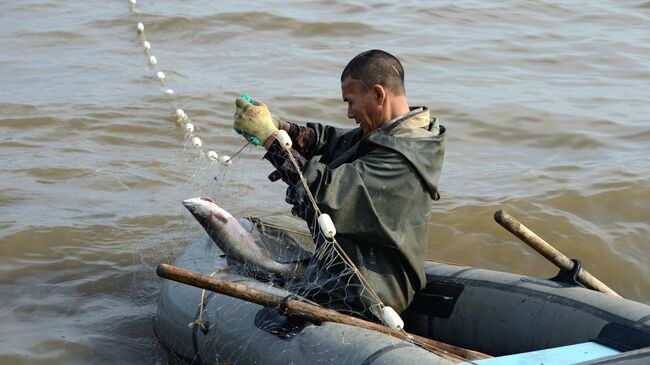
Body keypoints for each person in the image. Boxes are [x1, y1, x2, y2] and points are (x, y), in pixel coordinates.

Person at [233, 49, 445, 318]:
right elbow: (332, 143)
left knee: (267, 321)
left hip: (366, 295)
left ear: (379, 95)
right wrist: (280, 127)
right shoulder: (391, 133)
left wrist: (270, 141)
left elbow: (324, 191)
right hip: (346, 277)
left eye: (350, 102)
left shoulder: (402, 157)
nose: (349, 113)